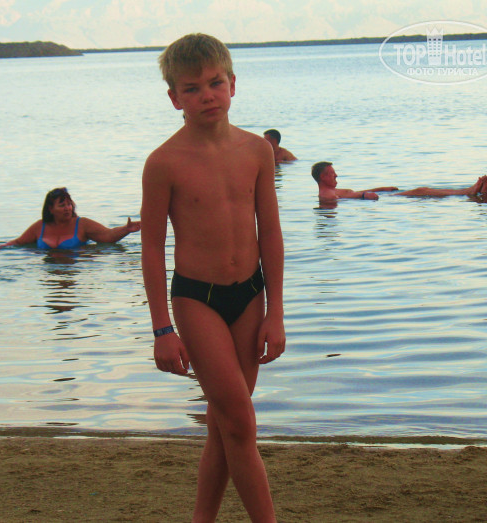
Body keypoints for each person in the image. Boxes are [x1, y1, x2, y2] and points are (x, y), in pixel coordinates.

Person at [141, 33, 285, 522]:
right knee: (240, 422)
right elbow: (151, 246)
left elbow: (271, 233)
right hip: (196, 300)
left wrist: (276, 313)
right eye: (192, 88)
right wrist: (162, 329)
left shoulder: (256, 151)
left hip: (250, 296)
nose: (207, 95)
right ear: (174, 98)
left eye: (215, 83)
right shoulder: (164, 162)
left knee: (224, 424)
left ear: (233, 84)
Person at [0, 187, 140, 249]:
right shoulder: (40, 227)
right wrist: (0, 247)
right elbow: (19, 242)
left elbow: (108, 235)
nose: (67, 208)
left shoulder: (82, 224)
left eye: (69, 204)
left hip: (74, 268)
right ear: (50, 209)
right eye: (62, 205)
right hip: (49, 272)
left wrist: (126, 229)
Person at [394, 157, 487, 198]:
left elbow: (484, 195)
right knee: (422, 190)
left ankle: (393, 196)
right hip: (464, 193)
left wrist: (485, 184)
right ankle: (393, 195)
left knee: (422, 191)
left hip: (465, 194)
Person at [312, 161, 398, 201]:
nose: (336, 175)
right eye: (332, 173)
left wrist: (381, 189)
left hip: (371, 196)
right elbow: (341, 200)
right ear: (323, 177)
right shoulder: (328, 195)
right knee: (406, 194)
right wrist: (363, 196)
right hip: (372, 199)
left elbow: (353, 193)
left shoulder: (332, 191)